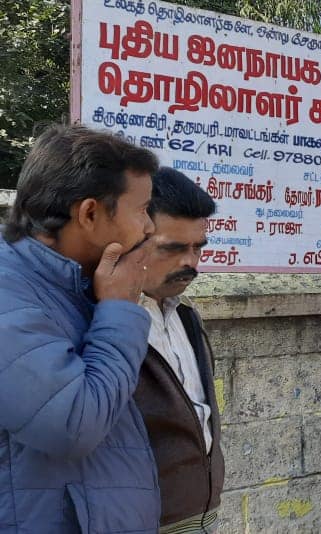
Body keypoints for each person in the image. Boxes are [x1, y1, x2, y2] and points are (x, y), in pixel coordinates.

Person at [0, 124, 161, 532]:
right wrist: (119, 309)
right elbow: (72, 423)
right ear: (89, 214)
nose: (149, 228)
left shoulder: (75, 284)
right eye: (142, 209)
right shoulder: (9, 290)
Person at [133, 167, 224, 533]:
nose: (190, 262)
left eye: (197, 248)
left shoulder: (187, 316)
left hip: (203, 515)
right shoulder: (106, 322)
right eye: (172, 248)